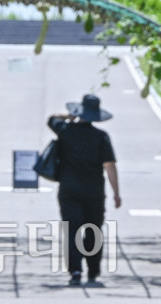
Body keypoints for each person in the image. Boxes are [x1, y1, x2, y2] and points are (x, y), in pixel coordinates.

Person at [47, 93, 121, 287]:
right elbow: (109, 166)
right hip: (94, 192)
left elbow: (51, 119)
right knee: (94, 230)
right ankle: (93, 269)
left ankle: (75, 271)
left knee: (72, 231)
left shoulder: (65, 131)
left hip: (69, 190)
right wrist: (116, 193)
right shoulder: (101, 137)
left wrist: (67, 116)